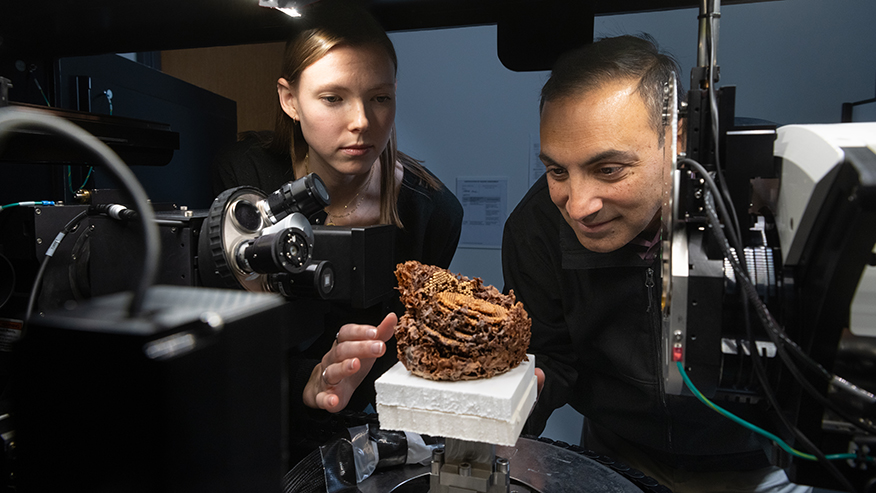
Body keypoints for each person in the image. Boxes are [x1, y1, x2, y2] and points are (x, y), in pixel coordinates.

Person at [502, 35, 810, 492]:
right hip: (616, 452)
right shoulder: (537, 227)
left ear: (677, 136)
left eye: (609, 170)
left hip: (755, 458)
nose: (579, 206)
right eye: (557, 171)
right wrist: (510, 404)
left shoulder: (772, 184)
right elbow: (550, 355)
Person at [211, 0, 463, 462]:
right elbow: (223, 345)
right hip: (258, 421)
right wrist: (306, 381)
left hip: (366, 435)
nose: (362, 122)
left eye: (380, 98)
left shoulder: (434, 213)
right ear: (290, 99)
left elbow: (400, 357)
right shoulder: (243, 185)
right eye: (333, 98)